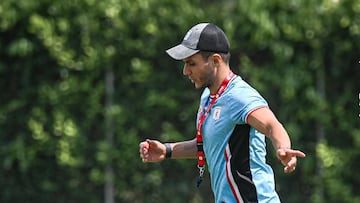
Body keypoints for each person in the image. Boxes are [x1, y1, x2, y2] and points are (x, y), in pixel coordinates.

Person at [139, 22, 306, 203]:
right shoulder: (208, 97)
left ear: (215, 60)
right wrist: (167, 150)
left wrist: (283, 148)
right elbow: (209, 144)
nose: (185, 71)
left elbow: (271, 125)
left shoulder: (239, 96)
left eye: (191, 63)